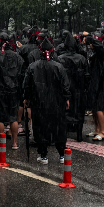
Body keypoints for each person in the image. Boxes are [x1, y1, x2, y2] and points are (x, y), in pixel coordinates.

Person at [23, 36, 71, 164]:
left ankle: (43, 154)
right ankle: (62, 153)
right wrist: (66, 98)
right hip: (57, 102)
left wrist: (26, 98)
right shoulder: (58, 66)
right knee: (58, 127)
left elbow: (26, 85)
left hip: (39, 102)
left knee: (40, 127)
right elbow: (65, 84)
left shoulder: (33, 67)